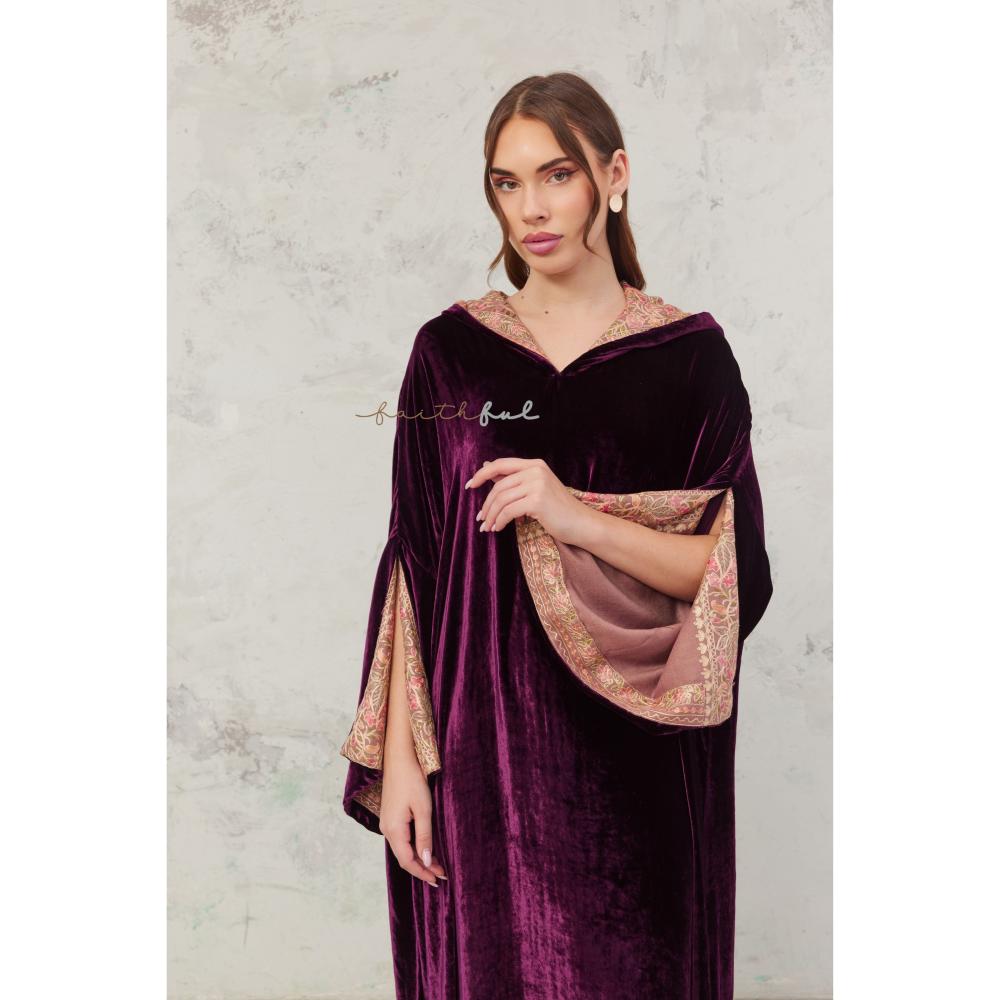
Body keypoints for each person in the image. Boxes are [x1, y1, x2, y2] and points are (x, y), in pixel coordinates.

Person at [340, 71, 774, 1000]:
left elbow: (735, 574)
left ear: (613, 176)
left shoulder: (688, 357)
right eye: (507, 182)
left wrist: (572, 513)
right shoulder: (450, 354)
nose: (531, 208)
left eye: (557, 175)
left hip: (640, 778)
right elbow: (415, 558)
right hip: (481, 765)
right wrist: (405, 764)